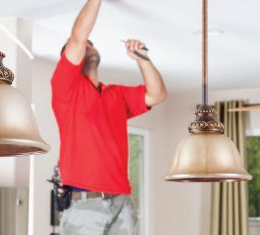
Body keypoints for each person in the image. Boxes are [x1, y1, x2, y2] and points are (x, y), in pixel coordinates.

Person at [51, 0, 167, 234]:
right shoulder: (65, 88)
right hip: (86, 203)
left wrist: (143, 59)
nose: (88, 47)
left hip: (122, 200)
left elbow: (157, 95)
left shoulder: (116, 94)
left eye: (92, 45)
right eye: (85, 45)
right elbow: (77, 38)